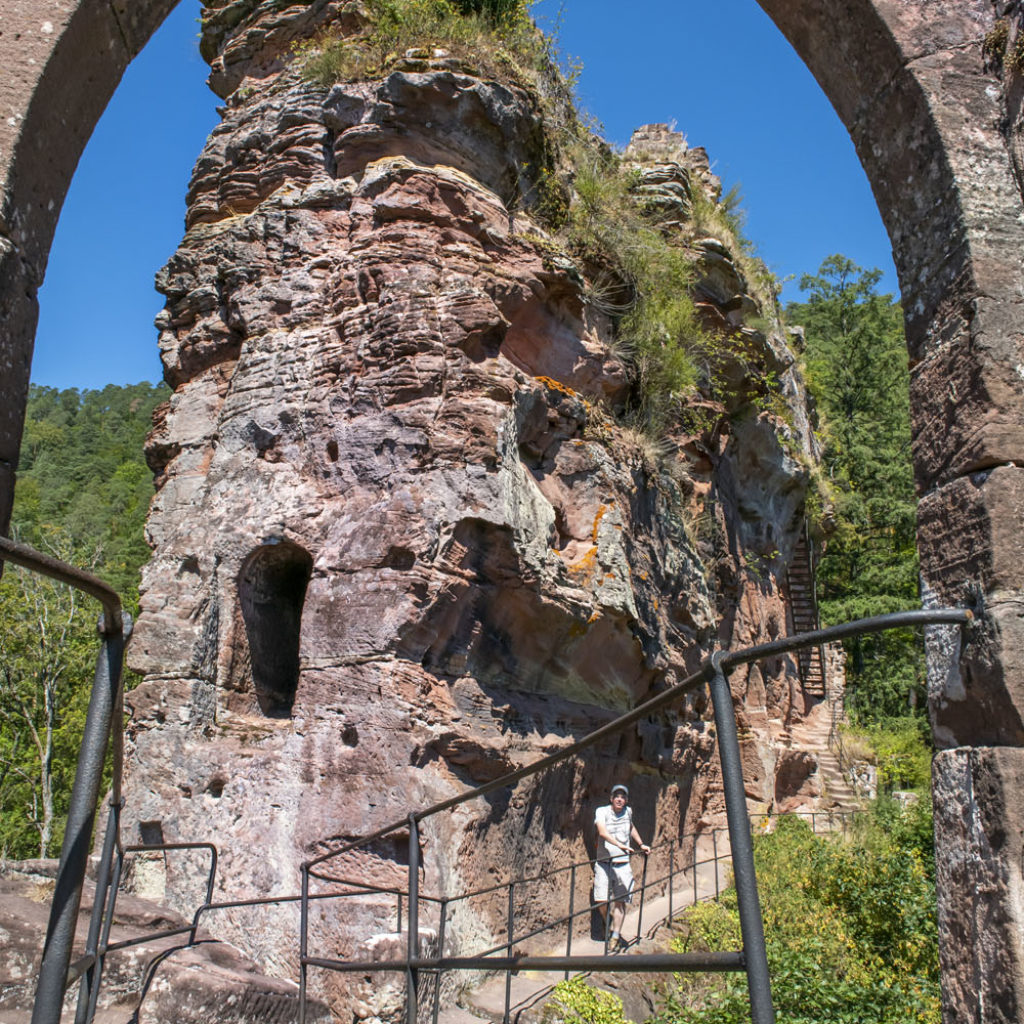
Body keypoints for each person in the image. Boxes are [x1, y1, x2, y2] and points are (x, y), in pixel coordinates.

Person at [593, 783, 650, 950]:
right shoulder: (602, 811)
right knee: (601, 900)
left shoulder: (628, 812)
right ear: (611, 798)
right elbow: (602, 832)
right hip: (604, 862)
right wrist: (620, 845)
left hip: (622, 864)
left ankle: (615, 936)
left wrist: (641, 843)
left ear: (626, 800)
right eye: (616, 796)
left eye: (623, 797)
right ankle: (608, 921)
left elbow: (631, 827)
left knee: (620, 901)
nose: (619, 799)